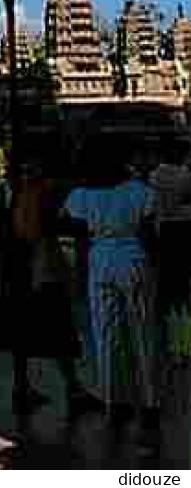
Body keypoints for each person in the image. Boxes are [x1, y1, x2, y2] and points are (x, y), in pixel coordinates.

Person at [61, 143, 161, 435]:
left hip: (99, 257)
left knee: (106, 334)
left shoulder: (82, 195)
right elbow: (150, 232)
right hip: (133, 256)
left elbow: (68, 224)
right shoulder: (140, 192)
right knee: (144, 332)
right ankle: (150, 403)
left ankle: (115, 402)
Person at [0, 151, 97, 415]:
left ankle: (23, 386)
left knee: (22, 331)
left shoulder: (10, 193)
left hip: (16, 270)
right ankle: (72, 387)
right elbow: (36, 233)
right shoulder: (37, 193)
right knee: (57, 330)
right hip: (38, 268)